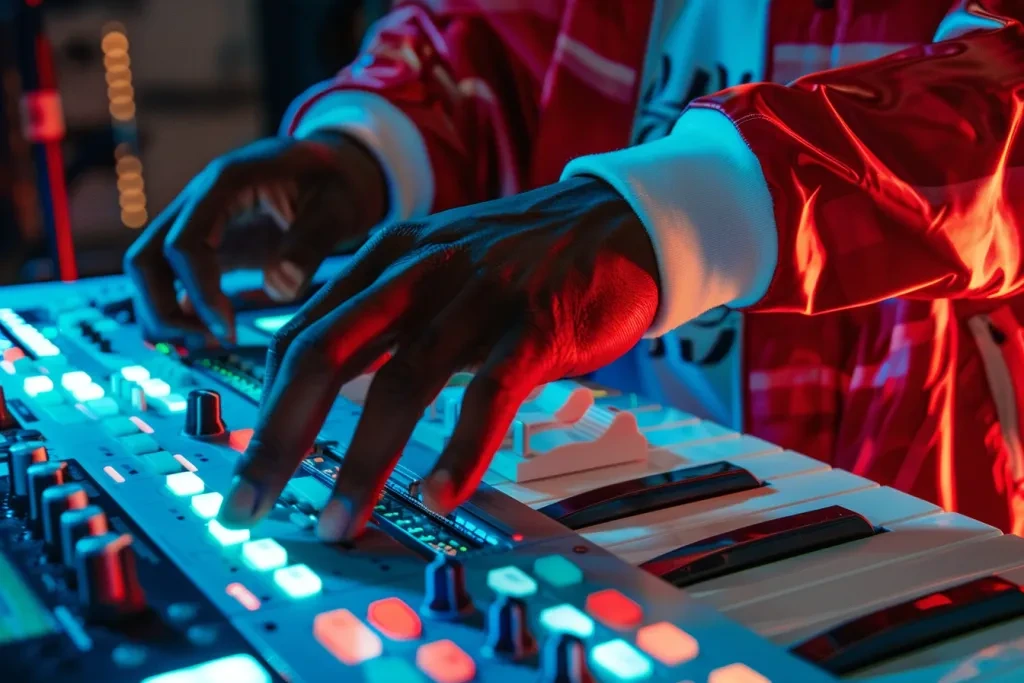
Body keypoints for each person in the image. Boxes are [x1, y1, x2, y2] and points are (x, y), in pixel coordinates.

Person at [125, 0, 1024, 543]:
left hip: (911, 487)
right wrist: (366, 153)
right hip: (603, 476)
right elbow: (495, 38)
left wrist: (667, 214)